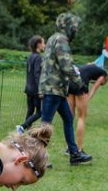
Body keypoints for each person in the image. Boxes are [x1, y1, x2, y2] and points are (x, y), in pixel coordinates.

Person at [39, 12, 91, 165]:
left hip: (57, 89)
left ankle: (74, 154)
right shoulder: (61, 40)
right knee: (45, 125)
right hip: (54, 88)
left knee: (68, 119)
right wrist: (80, 83)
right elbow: (66, 66)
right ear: (68, 26)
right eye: (74, 26)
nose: (75, 29)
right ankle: (37, 158)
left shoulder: (52, 38)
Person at [67, 63, 108, 157]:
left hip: (70, 82)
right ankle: (79, 150)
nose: (102, 84)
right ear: (106, 79)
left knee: (70, 117)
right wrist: (87, 99)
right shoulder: (103, 74)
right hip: (79, 84)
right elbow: (94, 88)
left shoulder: (90, 67)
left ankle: (69, 148)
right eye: (103, 84)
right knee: (81, 117)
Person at [19, 35, 45, 131]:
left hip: (28, 88)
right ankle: (23, 126)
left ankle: (26, 132)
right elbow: (37, 74)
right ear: (38, 44)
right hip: (35, 89)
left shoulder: (30, 57)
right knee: (40, 112)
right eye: (43, 43)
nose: (44, 45)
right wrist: (40, 90)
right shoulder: (38, 58)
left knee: (30, 110)